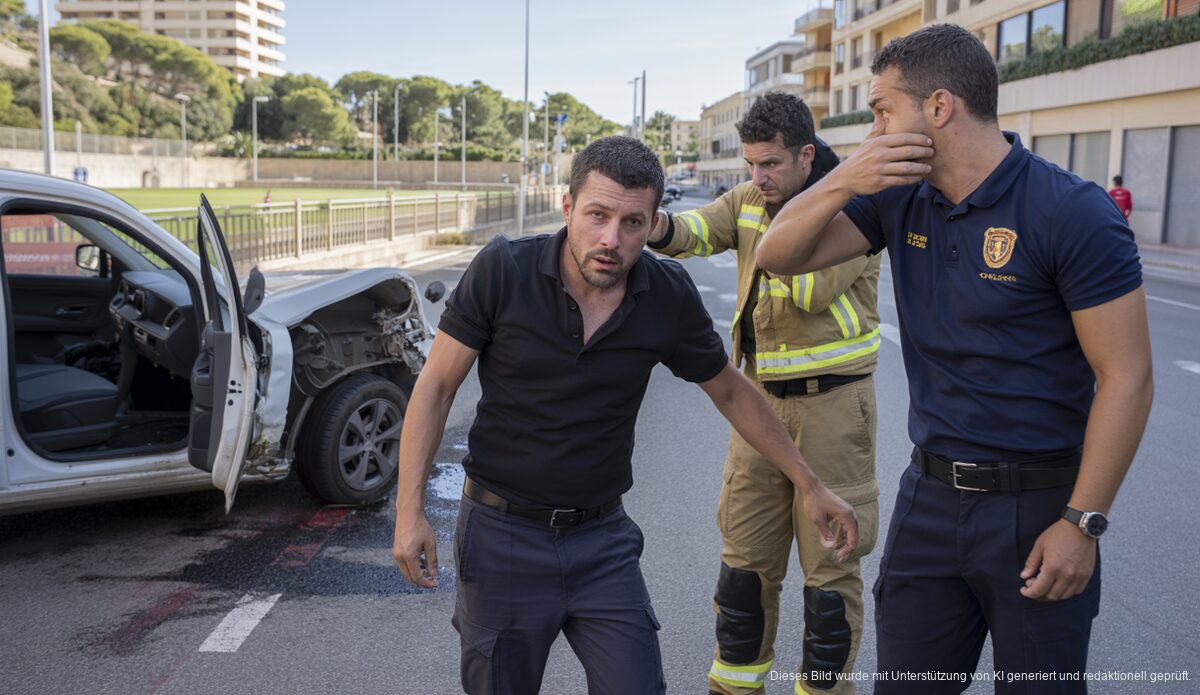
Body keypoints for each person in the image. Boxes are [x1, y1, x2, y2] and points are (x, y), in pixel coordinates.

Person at [756, 25, 1152, 694]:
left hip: (1040, 507)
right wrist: (845, 176)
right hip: (930, 501)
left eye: (882, 111)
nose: (874, 128)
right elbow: (777, 254)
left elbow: (1129, 376)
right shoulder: (897, 193)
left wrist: (1082, 522)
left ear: (939, 107)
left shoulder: (1070, 211)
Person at [391, 136, 859, 695]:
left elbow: (733, 392)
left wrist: (810, 484)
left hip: (602, 542)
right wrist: (409, 510)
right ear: (568, 209)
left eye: (632, 223)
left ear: (653, 222)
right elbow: (437, 387)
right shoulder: (504, 271)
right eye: (597, 216)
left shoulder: (664, 294)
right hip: (502, 539)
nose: (611, 239)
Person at [647, 91, 880, 695]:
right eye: (752, 164)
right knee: (743, 574)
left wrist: (794, 216)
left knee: (829, 584)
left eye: (771, 164)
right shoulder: (753, 196)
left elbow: (806, 288)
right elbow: (699, 229)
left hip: (833, 409)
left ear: (806, 155)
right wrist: (657, 224)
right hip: (759, 407)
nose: (758, 178)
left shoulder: (854, 209)